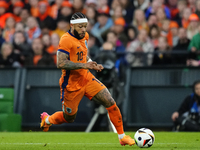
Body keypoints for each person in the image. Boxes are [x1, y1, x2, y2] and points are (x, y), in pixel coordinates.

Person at [40, 12, 135, 146]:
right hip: (71, 85)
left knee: (110, 102)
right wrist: (85, 65)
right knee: (69, 118)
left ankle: (122, 137)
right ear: (72, 26)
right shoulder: (66, 39)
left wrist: (92, 63)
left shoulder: (85, 36)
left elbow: (82, 55)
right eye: (80, 26)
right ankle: (47, 119)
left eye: (85, 26)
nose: (83, 29)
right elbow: (60, 63)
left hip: (86, 78)